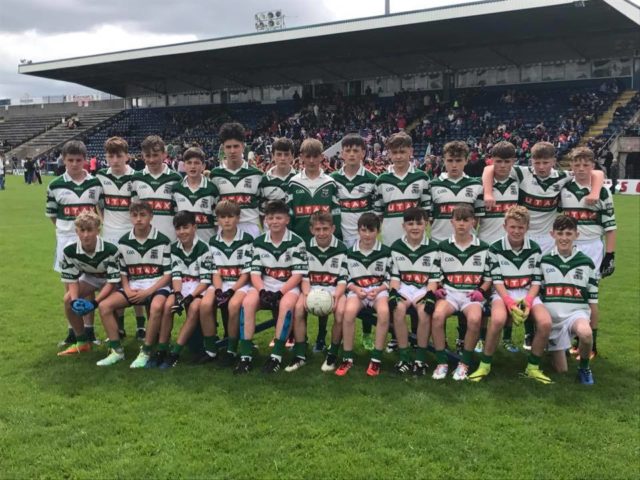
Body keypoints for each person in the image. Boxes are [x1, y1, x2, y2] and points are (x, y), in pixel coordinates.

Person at [482, 141, 604, 350]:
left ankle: (535, 335)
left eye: (545, 162)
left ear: (554, 162)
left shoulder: (562, 177)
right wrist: (488, 194)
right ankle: (504, 335)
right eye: (537, 162)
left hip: (548, 241)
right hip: (522, 235)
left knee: (538, 288)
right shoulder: (523, 173)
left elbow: (598, 174)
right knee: (511, 282)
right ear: (531, 162)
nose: (541, 167)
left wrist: (595, 192)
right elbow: (488, 168)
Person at [469, 206, 553, 383]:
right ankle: (485, 365)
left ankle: (533, 367)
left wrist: (529, 301)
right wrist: (508, 301)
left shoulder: (535, 249)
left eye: (521, 227)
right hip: (503, 293)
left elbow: (537, 280)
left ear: (527, 227)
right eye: (513, 227)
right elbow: (496, 280)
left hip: (527, 293)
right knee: (498, 320)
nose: (516, 231)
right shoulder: (495, 248)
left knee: (545, 323)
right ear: (505, 226)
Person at [235, 200, 308, 374]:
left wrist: (280, 293)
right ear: (265, 220)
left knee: (286, 305)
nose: (274, 221)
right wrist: (262, 290)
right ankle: (245, 357)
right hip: (264, 284)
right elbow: (255, 273)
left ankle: (276, 356)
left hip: (288, 286)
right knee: (248, 302)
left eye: (278, 217)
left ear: (287, 220)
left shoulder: (297, 242)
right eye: (270, 218)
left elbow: (297, 274)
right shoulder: (259, 242)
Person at [97, 201, 172, 367]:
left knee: (157, 307)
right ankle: (116, 351)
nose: (139, 219)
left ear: (151, 217)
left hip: (157, 285)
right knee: (104, 306)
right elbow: (123, 272)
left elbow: (167, 275)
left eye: (143, 215)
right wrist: (127, 289)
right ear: (130, 217)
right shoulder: (124, 241)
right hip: (134, 285)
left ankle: (146, 351)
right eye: (135, 215)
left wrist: (148, 292)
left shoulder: (163, 240)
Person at [561, 146, 617, 358]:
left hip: (592, 247)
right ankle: (565, 340)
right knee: (567, 294)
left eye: (586, 165)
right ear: (571, 167)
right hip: (568, 246)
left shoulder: (602, 191)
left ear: (592, 166)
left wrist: (610, 255)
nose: (581, 168)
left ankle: (591, 344)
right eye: (577, 164)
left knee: (589, 297)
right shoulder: (565, 187)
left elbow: (610, 227)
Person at [46, 140, 102, 346]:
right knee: (69, 287)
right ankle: (73, 331)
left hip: (90, 242)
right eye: (70, 160)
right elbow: (52, 214)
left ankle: (90, 331)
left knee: (88, 285)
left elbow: (100, 210)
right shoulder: (55, 185)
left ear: (85, 161)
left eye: (79, 160)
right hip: (66, 240)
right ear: (64, 160)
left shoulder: (95, 183)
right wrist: (66, 231)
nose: (75, 164)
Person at [430, 204, 492, 381]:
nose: (462, 224)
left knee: (474, 319)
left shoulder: (483, 247)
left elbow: (488, 278)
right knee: (437, 316)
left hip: (471, 295)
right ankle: (441, 362)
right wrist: (440, 288)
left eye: (466, 220)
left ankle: (464, 363)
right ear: (452, 222)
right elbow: (436, 274)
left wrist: (481, 291)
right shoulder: (443, 246)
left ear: (474, 222)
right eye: (458, 220)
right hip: (450, 293)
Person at [96, 136, 147, 340]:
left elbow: (139, 208)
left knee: (137, 279)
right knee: (115, 281)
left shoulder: (136, 177)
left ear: (127, 156)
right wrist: (103, 223)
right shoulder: (100, 176)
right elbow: (98, 205)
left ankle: (141, 325)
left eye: (119, 155)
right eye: (111, 156)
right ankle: (119, 326)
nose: (115, 160)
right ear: (106, 157)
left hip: (131, 235)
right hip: (109, 235)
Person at [151, 211, 213, 368]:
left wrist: (190, 296)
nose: (182, 232)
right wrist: (178, 295)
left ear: (194, 227)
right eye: (178, 229)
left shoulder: (204, 248)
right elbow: (176, 275)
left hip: (199, 289)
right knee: (168, 306)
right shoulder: (173, 248)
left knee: (193, 309)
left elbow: (205, 281)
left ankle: (175, 353)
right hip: (181, 287)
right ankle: (162, 349)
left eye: (186, 227)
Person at [540, 215, 598, 385]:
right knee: (562, 370)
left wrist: (594, 334)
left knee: (586, 335)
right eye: (560, 233)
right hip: (553, 321)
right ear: (552, 235)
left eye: (568, 233)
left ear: (576, 235)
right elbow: (537, 296)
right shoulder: (544, 261)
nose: (564, 238)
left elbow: (593, 302)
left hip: (576, 315)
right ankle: (554, 348)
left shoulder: (587, 263)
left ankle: (584, 368)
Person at [289, 211, 348, 373]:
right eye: (318, 229)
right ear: (311, 230)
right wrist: (307, 295)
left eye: (325, 228)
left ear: (333, 229)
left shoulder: (342, 248)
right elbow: (304, 275)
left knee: (341, 312)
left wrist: (336, 296)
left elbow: (343, 279)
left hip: (335, 290)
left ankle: (333, 354)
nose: (321, 233)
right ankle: (300, 355)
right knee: (299, 309)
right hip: (311, 289)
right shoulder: (304, 247)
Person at [335, 213, 392, 377]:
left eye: (371, 231)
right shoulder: (349, 252)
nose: (367, 235)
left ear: (378, 231)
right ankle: (347, 357)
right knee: (349, 312)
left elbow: (390, 278)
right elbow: (345, 277)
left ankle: (376, 359)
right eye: (364, 230)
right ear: (358, 231)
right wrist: (355, 289)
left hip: (378, 292)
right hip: (358, 291)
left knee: (384, 312)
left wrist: (380, 289)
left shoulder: (386, 252)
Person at [56, 211, 121, 356]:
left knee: (108, 305)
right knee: (67, 300)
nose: (86, 235)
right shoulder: (69, 251)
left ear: (98, 230)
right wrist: (74, 301)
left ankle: (114, 340)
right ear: (76, 231)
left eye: (90, 230)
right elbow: (72, 280)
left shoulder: (111, 249)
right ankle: (82, 342)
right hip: (90, 277)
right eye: (82, 230)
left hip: (109, 280)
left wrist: (95, 302)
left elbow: (111, 282)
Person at [200, 200, 254, 366]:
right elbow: (215, 271)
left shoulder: (247, 240)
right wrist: (218, 290)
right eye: (222, 217)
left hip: (240, 285)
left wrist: (231, 291)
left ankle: (231, 350)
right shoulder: (213, 242)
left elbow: (246, 274)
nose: (227, 221)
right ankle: (211, 350)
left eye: (230, 216)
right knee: (205, 304)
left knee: (233, 305)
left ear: (238, 218)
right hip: (220, 284)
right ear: (217, 220)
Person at [388, 207, 441, 376]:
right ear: (404, 226)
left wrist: (430, 295)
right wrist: (393, 293)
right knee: (398, 309)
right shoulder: (396, 246)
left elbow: (433, 279)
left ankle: (420, 358)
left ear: (426, 224)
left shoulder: (433, 247)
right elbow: (395, 277)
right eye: (410, 224)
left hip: (423, 289)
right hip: (403, 287)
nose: (415, 227)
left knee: (425, 313)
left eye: (419, 223)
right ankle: (404, 357)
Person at [209, 122, 265, 238]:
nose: (232, 151)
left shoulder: (257, 174)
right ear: (223, 148)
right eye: (228, 147)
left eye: (236, 146)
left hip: (251, 229)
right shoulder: (215, 175)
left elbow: (262, 208)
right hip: (225, 230)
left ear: (243, 147)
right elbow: (213, 207)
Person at [374, 132, 430, 246]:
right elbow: (378, 214)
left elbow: (426, 211)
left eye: (402, 152)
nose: (398, 156)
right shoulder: (381, 180)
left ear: (410, 151)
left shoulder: (422, 177)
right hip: (390, 238)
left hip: (416, 239)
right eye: (394, 152)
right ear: (389, 153)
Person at [286, 138, 341, 242]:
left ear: (321, 157)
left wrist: (336, 238)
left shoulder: (330, 183)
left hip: (324, 242)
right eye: (308, 156)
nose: (311, 160)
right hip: (299, 241)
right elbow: (289, 214)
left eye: (315, 156)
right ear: (301, 157)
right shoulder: (293, 183)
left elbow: (336, 214)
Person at [131, 135, 182, 242]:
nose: (151, 159)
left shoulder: (176, 179)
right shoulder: (136, 178)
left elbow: (180, 213)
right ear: (142, 156)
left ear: (164, 154)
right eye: (148, 155)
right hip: (145, 241)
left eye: (155, 155)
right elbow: (135, 212)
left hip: (170, 240)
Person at [330, 133, 378, 248]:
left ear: (363, 153)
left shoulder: (373, 180)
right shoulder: (332, 179)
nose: (351, 154)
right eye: (348, 150)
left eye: (356, 151)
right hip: (339, 239)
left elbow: (377, 213)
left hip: (365, 239)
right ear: (342, 154)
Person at [171, 147, 219, 243]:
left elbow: (217, 223)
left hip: (207, 244)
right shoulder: (176, 189)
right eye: (189, 163)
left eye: (197, 163)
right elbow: (175, 219)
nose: (192, 166)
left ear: (203, 166)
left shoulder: (212, 189)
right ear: (184, 166)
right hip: (184, 246)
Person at [260, 137, 297, 214]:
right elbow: (262, 213)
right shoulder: (264, 181)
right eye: (279, 154)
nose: (282, 158)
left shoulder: (300, 178)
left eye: (286, 154)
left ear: (292, 156)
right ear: (273, 156)